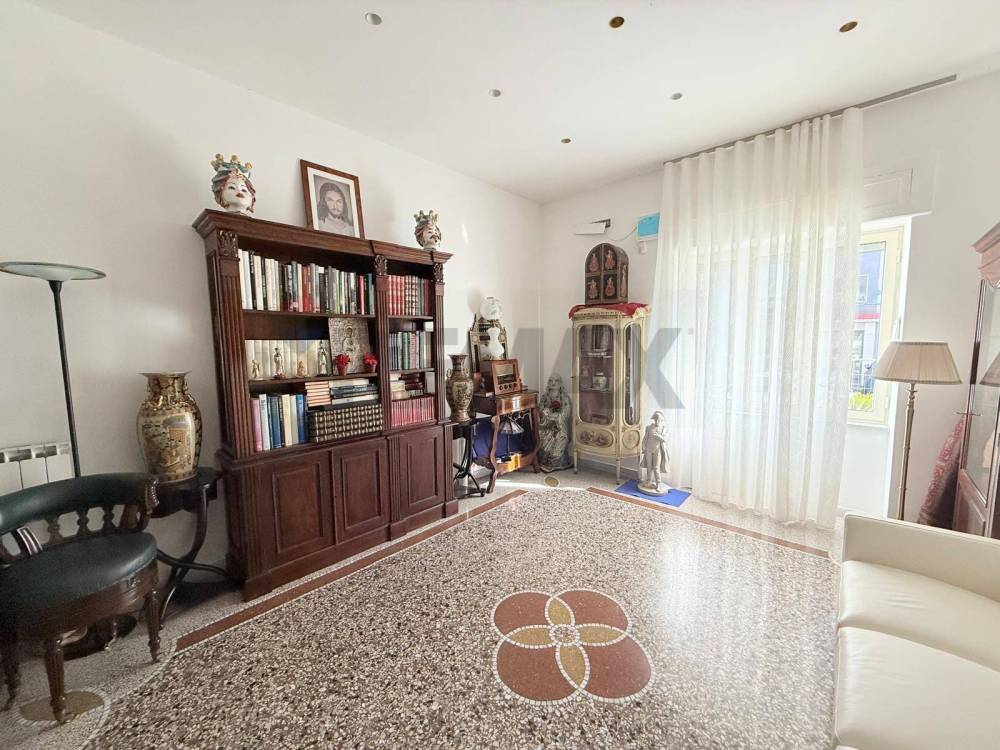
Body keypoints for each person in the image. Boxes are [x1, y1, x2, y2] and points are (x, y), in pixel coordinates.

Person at [538, 374, 572, 471]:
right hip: (547, 424)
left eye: (556, 381)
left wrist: (556, 416)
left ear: (560, 383)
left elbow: (566, 412)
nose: (553, 383)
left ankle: (555, 462)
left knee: (559, 436)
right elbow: (540, 409)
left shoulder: (564, 397)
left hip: (559, 426)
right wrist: (545, 413)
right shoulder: (545, 396)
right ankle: (544, 461)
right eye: (551, 380)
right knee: (541, 434)